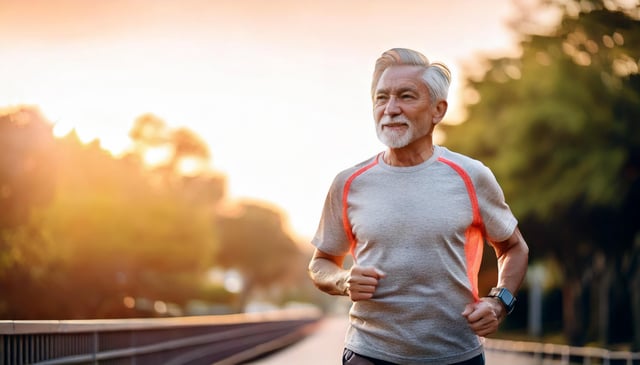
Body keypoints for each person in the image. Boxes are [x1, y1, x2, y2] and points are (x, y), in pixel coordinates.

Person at [308, 48, 529, 365]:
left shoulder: (472, 176)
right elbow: (320, 264)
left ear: (438, 110)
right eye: (381, 98)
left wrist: (499, 302)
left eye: (406, 97)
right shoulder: (349, 183)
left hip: (456, 355)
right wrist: (343, 280)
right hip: (369, 353)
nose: (390, 109)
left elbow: (513, 248)